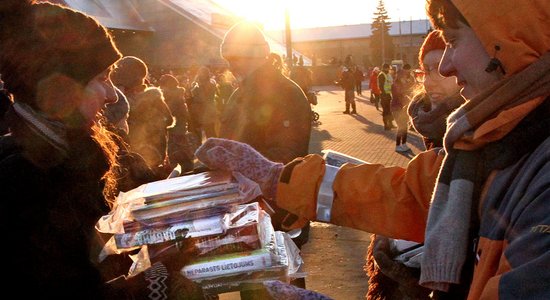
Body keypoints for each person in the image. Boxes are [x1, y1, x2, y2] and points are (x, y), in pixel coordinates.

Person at [195, 0, 550, 298]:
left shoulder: (538, 171)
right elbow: (401, 192)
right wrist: (279, 179)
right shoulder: (490, 146)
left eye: (454, 42)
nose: (445, 65)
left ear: (511, 40)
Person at [0, 1, 203, 298]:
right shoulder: (21, 180)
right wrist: (158, 276)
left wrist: (202, 182)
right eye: (101, 79)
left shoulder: (80, 151)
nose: (111, 96)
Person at [365, 30, 464, 300]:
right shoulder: (436, 133)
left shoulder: (469, 135)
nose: (431, 79)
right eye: (426, 70)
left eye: (441, 69)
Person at [217, 20, 312, 292]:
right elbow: (232, 142)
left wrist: (235, 169)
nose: (231, 66)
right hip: (249, 211)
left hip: (276, 211)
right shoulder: (241, 92)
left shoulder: (284, 93)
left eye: (236, 58)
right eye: (228, 60)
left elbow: (284, 157)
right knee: (255, 287)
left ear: (257, 54)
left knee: (280, 287)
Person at [111, 56, 174, 177]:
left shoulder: (118, 105)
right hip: (157, 156)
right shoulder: (155, 98)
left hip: (133, 165)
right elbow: (169, 120)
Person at [408, 30, 464, 150]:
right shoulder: (429, 120)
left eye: (439, 70)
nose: (428, 83)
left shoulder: (483, 130)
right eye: (426, 71)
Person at [158, 73, 195, 173]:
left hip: (175, 127)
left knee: (176, 149)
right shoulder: (177, 95)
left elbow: (170, 112)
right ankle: (187, 165)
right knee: (181, 147)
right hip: (180, 126)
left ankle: (181, 168)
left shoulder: (172, 96)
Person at [188, 66, 218, 143]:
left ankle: (212, 147)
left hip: (205, 110)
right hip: (208, 109)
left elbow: (202, 99)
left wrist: (194, 97)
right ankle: (213, 147)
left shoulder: (205, 85)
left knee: (208, 131)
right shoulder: (210, 84)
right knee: (209, 131)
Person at [391, 64, 416, 152]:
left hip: (403, 108)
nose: (404, 78)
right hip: (397, 108)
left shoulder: (403, 84)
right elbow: (398, 95)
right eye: (403, 77)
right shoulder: (395, 84)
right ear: (399, 77)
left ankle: (404, 144)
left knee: (404, 127)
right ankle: (398, 146)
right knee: (401, 127)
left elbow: (408, 91)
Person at [378, 63, 396, 129]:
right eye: (388, 68)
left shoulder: (388, 74)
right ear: (385, 68)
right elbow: (381, 86)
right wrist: (384, 93)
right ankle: (386, 125)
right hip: (384, 95)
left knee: (389, 110)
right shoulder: (381, 75)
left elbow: (391, 83)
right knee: (385, 110)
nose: (389, 69)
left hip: (388, 94)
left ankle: (390, 124)